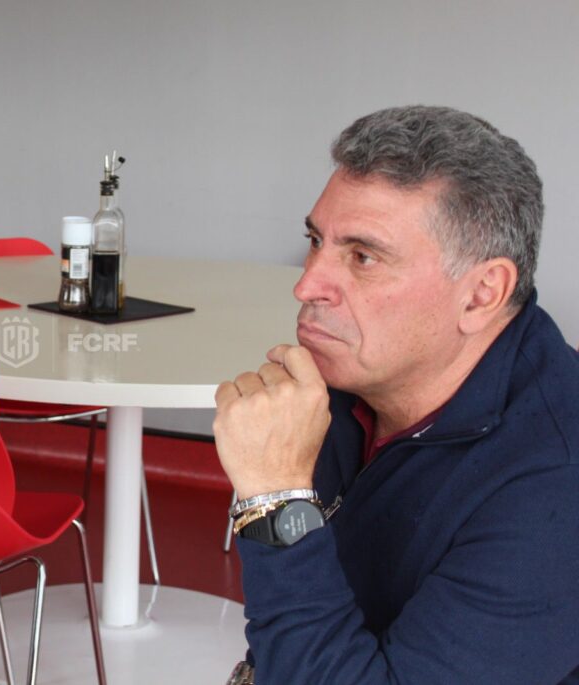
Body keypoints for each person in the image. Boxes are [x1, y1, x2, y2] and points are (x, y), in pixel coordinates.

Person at [215, 106, 579, 684]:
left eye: (363, 257)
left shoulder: (555, 489)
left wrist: (277, 502)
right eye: (315, 240)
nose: (306, 285)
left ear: (482, 293)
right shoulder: (348, 383)